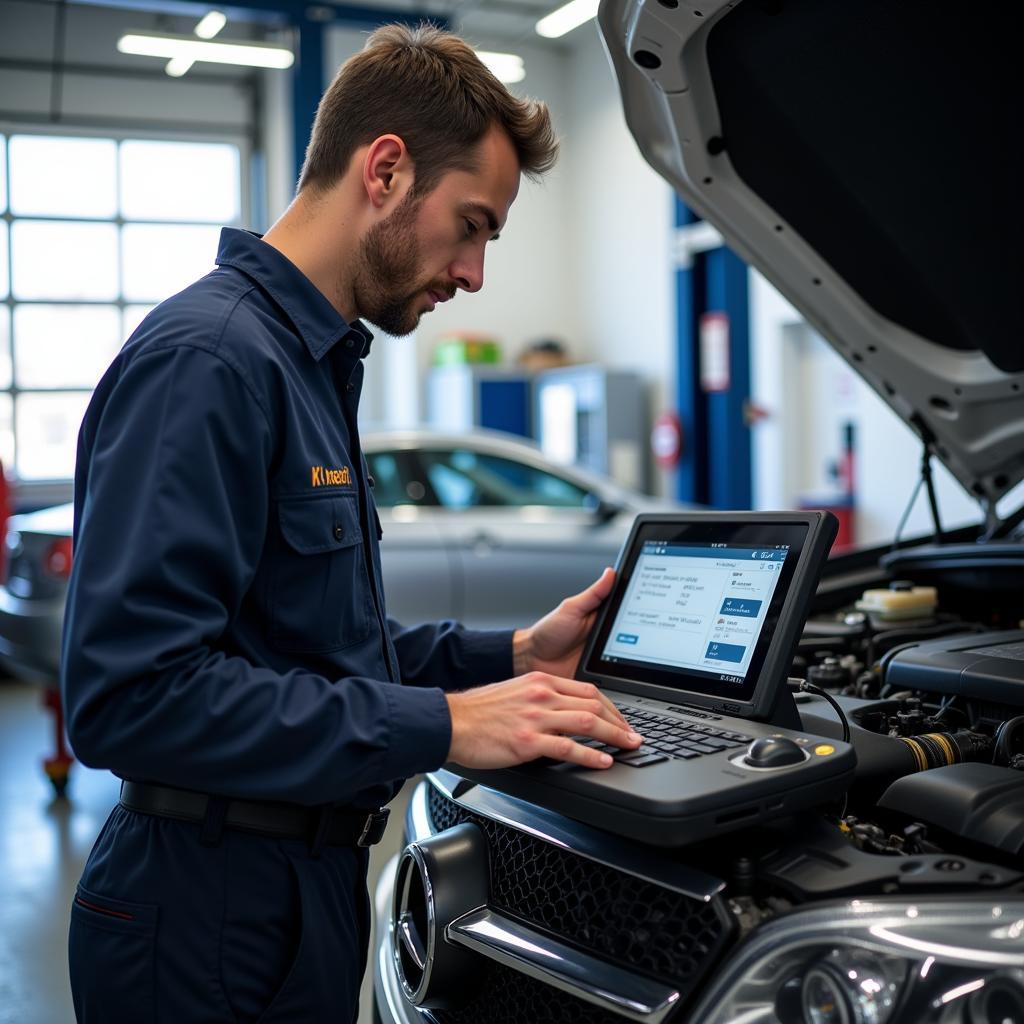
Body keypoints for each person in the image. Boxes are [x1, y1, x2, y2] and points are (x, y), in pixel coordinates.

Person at [61, 21, 643, 1024]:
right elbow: (130, 695)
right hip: (206, 914)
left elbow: (309, 648)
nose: (472, 275)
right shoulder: (211, 361)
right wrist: (446, 724)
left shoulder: (309, 364)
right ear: (385, 170)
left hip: (296, 890)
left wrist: (506, 652)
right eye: (472, 225)